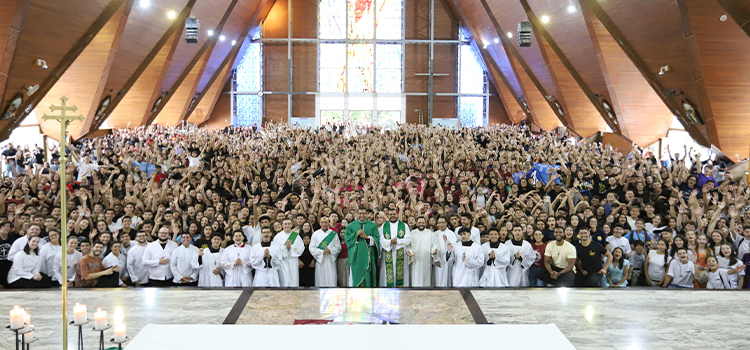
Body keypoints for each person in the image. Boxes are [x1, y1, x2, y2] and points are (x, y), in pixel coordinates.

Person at [345, 207, 379, 287]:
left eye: (364, 213)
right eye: (360, 213)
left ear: (367, 214)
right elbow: (347, 239)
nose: (362, 215)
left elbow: (377, 239)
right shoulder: (351, 226)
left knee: (367, 278)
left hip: (368, 257)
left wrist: (367, 237)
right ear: (357, 214)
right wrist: (355, 235)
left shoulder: (373, 226)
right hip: (355, 257)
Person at [379, 207, 411, 287]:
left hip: (401, 254)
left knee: (401, 275)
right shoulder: (383, 226)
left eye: (394, 214)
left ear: (397, 214)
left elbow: (408, 239)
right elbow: (381, 240)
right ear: (388, 215)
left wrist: (397, 242)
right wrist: (390, 242)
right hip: (388, 252)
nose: (392, 216)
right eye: (390, 214)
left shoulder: (404, 226)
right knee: (388, 276)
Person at [309, 216, 341, 287]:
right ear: (320, 223)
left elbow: (338, 247)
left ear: (329, 223)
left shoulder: (333, 234)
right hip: (321, 261)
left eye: (326, 222)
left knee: (331, 279)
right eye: (322, 222)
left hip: (330, 260)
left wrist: (330, 251)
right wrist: (321, 252)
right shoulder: (315, 234)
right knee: (321, 280)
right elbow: (311, 248)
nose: (324, 224)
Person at [271, 218, 304, 287]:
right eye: (285, 224)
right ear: (282, 225)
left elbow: (301, 248)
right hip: (282, 261)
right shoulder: (277, 237)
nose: (287, 225)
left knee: (293, 279)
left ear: (291, 225)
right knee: (284, 280)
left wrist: (291, 248)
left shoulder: (296, 236)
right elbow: (274, 250)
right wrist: (286, 248)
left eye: (289, 224)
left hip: (293, 261)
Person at [409, 216, 436, 287]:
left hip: (426, 261)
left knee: (426, 279)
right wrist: (409, 251)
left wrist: (434, 251)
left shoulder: (430, 233)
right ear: (416, 223)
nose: (421, 224)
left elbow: (435, 245)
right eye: (419, 222)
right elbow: (408, 245)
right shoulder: (412, 233)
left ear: (426, 223)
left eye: (423, 223)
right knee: (415, 278)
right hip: (415, 260)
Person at [432, 216, 457, 287]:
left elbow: (453, 246)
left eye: (443, 222)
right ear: (437, 224)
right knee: (438, 279)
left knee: (447, 279)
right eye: (439, 222)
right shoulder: (435, 234)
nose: (441, 224)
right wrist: (435, 258)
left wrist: (447, 241)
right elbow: (433, 246)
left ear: (446, 223)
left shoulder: (451, 233)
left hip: (447, 261)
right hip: (438, 260)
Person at [0, 221, 19, 288]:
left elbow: (17, 228)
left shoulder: (12, 237)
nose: (6, 228)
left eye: (8, 227)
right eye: (4, 226)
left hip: (9, 264)